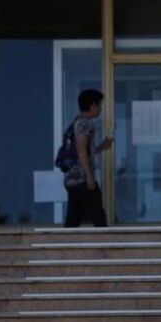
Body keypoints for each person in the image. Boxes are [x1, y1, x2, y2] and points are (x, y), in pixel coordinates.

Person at [64, 89, 113, 227]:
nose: (101, 109)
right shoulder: (84, 123)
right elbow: (81, 150)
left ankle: (64, 244)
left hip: (72, 178)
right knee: (98, 215)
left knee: (73, 218)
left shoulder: (76, 122)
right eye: (99, 105)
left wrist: (101, 147)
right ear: (92, 105)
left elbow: (85, 150)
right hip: (81, 178)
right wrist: (89, 176)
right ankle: (104, 246)